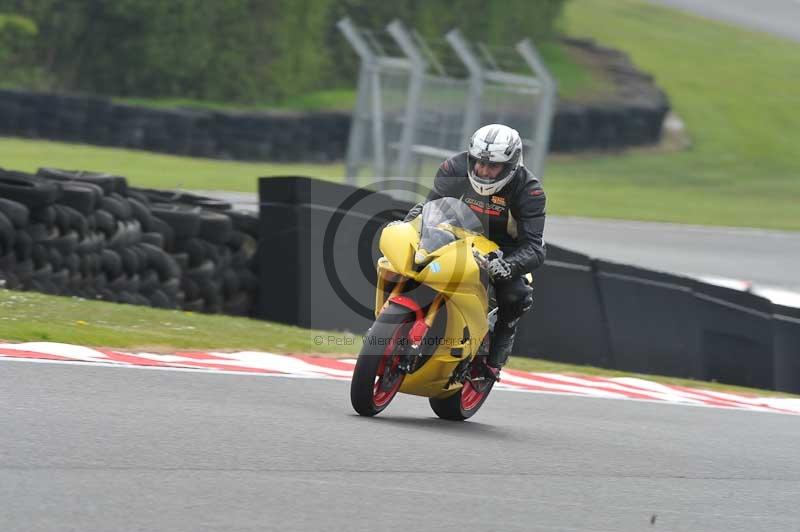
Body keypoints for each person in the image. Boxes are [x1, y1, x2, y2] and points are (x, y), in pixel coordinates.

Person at [403, 123, 546, 370]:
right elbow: (429, 207)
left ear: (510, 165)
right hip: (457, 234)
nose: (483, 170)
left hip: (503, 251)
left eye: (493, 165)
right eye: (479, 162)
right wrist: (406, 225)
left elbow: (535, 247)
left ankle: (499, 346)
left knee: (516, 295)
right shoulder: (454, 167)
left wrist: (509, 266)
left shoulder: (529, 191)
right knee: (409, 258)